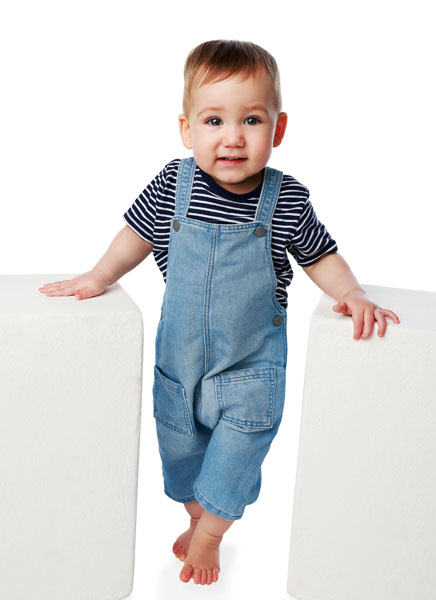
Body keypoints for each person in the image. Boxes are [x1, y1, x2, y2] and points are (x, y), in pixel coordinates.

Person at [39, 39, 400, 586]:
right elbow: (134, 236)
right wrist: (99, 274)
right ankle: (195, 517)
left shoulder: (285, 199)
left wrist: (351, 292)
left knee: (235, 459)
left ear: (278, 129)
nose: (233, 137)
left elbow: (320, 256)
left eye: (252, 120)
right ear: (187, 130)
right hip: (180, 368)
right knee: (180, 454)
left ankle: (210, 536)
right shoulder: (172, 185)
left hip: (250, 371)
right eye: (214, 120)